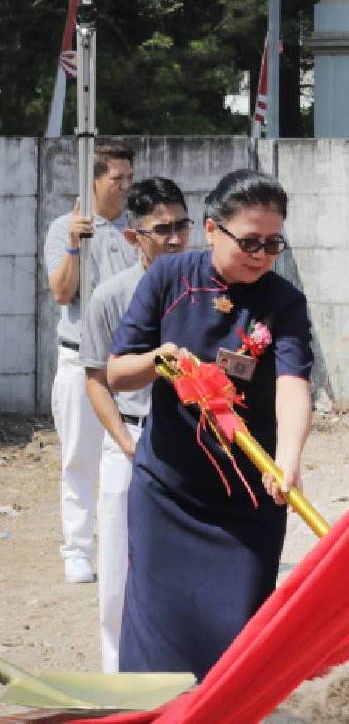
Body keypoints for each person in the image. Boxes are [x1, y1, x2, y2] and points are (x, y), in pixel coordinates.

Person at [107, 169, 313, 679]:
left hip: (248, 495)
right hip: (168, 492)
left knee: (237, 628)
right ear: (211, 229)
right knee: (160, 629)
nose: (261, 255)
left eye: (273, 243)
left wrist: (288, 459)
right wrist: (159, 359)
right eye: (249, 241)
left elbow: (293, 384)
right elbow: (117, 371)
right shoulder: (168, 279)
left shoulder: (283, 300)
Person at [79, 178, 191, 672]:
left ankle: (189, 668)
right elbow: (96, 380)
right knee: (120, 563)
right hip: (135, 436)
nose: (174, 239)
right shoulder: (109, 296)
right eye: (161, 229)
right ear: (132, 237)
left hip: (197, 440)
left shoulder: (207, 290)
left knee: (192, 556)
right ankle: (116, 669)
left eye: (182, 226)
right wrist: (125, 444)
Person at [45, 142, 139, 584]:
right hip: (80, 361)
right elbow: (62, 293)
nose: (124, 187)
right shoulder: (66, 226)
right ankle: (78, 549)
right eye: (116, 178)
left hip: (126, 363)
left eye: (128, 178)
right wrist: (72, 247)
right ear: (94, 180)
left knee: (126, 456)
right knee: (79, 458)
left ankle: (125, 547)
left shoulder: (134, 229)